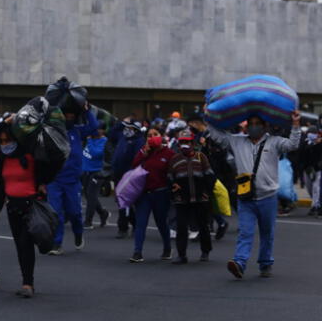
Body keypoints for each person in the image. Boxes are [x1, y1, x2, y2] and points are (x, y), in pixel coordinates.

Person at [207, 112, 301, 278]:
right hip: (246, 197)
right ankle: (240, 263)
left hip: (268, 197)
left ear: (265, 126)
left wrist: (295, 124)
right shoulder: (236, 141)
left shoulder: (274, 142)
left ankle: (265, 264)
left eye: (258, 123)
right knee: (245, 232)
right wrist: (208, 117)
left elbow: (293, 144)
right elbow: (217, 136)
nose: (254, 126)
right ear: (246, 126)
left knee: (267, 233)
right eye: (251, 123)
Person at [0, 118, 57, 298]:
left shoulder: (30, 154)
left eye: (7, 140)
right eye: (1, 141)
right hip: (12, 207)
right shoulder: (3, 157)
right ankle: (27, 281)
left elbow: (49, 152)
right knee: (20, 246)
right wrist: (5, 121)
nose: (4, 144)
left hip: (30, 205)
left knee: (26, 243)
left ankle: (28, 284)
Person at [47, 105, 98, 255]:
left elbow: (94, 126)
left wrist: (87, 110)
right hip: (54, 180)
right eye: (66, 115)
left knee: (75, 213)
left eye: (71, 115)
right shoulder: (52, 132)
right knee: (56, 213)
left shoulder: (77, 130)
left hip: (72, 181)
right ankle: (57, 244)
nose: (69, 118)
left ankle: (78, 233)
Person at [167, 129, 216, 264]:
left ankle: (205, 251)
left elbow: (210, 176)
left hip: (201, 198)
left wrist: (206, 192)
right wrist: (174, 189)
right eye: (182, 142)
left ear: (192, 143)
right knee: (181, 227)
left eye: (187, 142)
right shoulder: (174, 159)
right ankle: (182, 255)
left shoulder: (201, 157)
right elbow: (170, 178)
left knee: (203, 226)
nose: (184, 145)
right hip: (182, 200)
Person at [129, 127, 175, 263]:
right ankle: (137, 252)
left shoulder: (169, 153)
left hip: (161, 193)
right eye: (149, 135)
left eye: (155, 134)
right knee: (140, 223)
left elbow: (173, 172)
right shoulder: (143, 152)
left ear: (162, 136)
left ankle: (167, 248)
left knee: (161, 223)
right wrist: (143, 153)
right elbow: (134, 166)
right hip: (143, 194)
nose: (152, 137)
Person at [108, 119, 145, 238]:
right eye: (126, 127)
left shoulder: (139, 141)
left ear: (136, 130)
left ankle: (123, 227)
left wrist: (130, 173)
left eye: (130, 128)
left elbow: (137, 158)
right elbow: (112, 133)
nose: (127, 130)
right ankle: (134, 223)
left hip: (129, 175)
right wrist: (121, 123)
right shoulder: (122, 137)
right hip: (118, 174)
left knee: (125, 201)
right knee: (122, 201)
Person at [82, 121, 110, 229]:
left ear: (103, 131)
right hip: (86, 171)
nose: (95, 131)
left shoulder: (104, 141)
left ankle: (88, 222)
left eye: (98, 129)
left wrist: (89, 141)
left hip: (97, 172)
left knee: (91, 195)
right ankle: (103, 213)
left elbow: (95, 154)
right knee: (88, 195)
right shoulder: (90, 139)